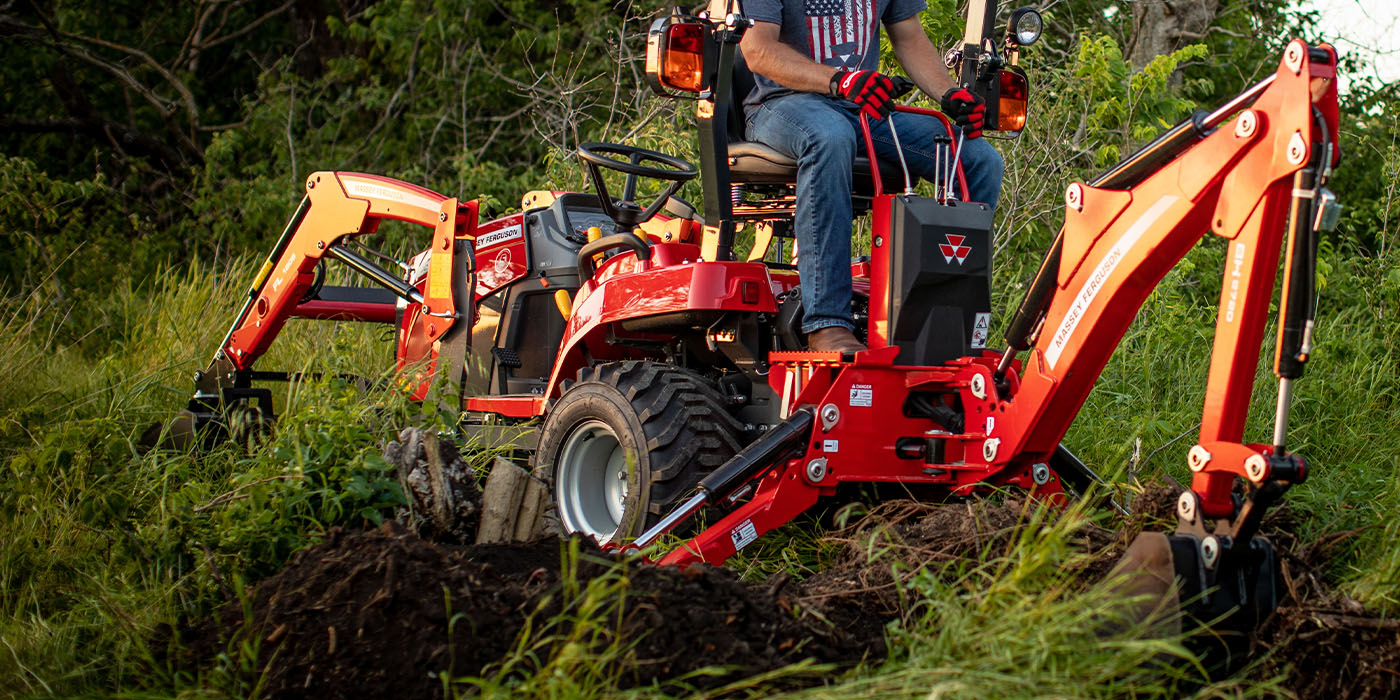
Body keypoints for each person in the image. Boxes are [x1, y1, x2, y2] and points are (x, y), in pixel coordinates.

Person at [736, 0, 1004, 352]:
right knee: (829, 137)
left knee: (978, 159)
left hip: (858, 108)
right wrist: (839, 81)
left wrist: (949, 94)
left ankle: (944, 324)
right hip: (781, 106)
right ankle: (826, 325)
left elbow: (909, 37)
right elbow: (758, 50)